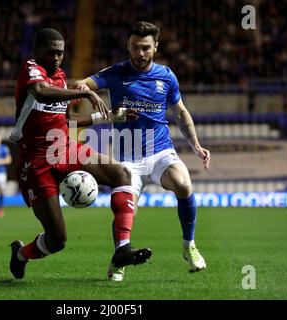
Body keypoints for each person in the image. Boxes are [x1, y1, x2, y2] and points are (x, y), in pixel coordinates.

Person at [8, 28, 152, 280]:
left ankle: (122, 249)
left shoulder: (61, 77)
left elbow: (68, 120)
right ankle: (21, 253)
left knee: (121, 173)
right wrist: (84, 92)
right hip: (36, 161)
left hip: (64, 147)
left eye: (60, 53)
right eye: (51, 52)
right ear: (37, 51)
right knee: (57, 240)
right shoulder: (31, 70)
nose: (56, 58)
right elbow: (41, 92)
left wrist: (108, 117)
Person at [74, 21, 210, 281]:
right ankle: (120, 256)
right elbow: (84, 83)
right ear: (128, 45)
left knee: (183, 184)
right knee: (128, 212)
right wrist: (84, 89)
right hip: (128, 159)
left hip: (160, 152)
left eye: (146, 48)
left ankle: (188, 245)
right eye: (135, 47)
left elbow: (180, 112)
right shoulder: (116, 72)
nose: (140, 54)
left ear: (155, 47)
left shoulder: (166, 76)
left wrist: (196, 145)